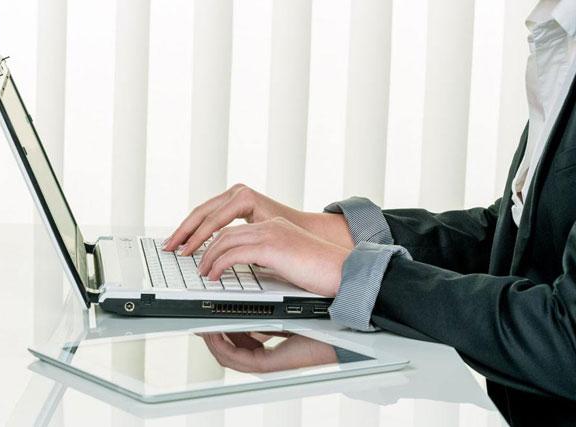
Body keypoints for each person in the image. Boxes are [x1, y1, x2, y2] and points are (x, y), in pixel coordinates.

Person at [162, 1, 576, 425]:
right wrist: (321, 233)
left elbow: (568, 341)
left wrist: (348, 271)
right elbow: (510, 240)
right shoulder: (560, 36)